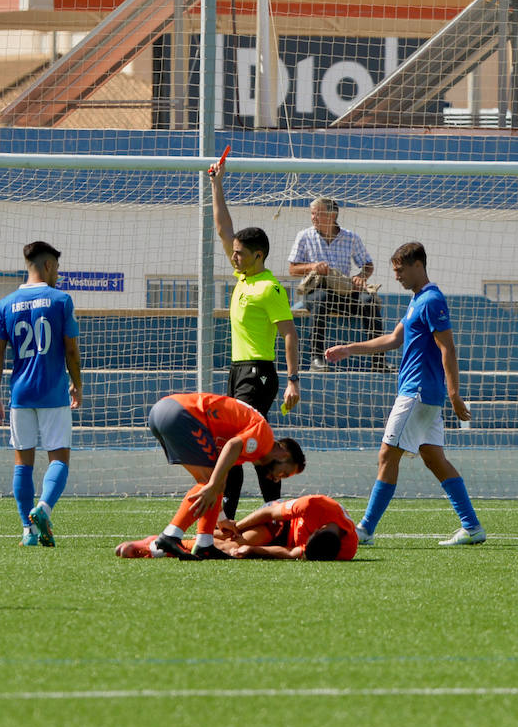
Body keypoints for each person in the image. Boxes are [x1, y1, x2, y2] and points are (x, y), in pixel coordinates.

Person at [324, 241, 486, 547]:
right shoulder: (417, 300)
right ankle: (472, 527)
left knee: (387, 454)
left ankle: (366, 529)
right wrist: (349, 349)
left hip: (418, 392)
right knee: (434, 459)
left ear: (417, 266)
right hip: (422, 395)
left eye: (400, 270)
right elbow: (394, 338)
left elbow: (447, 348)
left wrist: (455, 393)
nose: (396, 276)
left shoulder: (431, 300)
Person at [207, 160, 301, 521]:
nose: (234, 256)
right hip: (238, 372)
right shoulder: (243, 278)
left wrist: (293, 380)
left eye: (241, 253)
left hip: (259, 375)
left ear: (258, 255)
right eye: (234, 252)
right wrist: (217, 185)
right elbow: (223, 228)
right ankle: (241, 516)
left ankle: (265, 515)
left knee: (248, 447)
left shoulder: (269, 287)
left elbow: (289, 333)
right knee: (237, 447)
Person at [0, 240, 82, 547]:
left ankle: (27, 532)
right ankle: (43, 509)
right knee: (59, 459)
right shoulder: (61, 300)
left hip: (21, 394)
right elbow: (71, 349)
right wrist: (77, 383)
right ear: (49, 266)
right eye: (57, 269)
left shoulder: (5, 304)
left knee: (22, 463)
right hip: (53, 392)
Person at [145, 392, 306, 560]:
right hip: (182, 414)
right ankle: (170, 536)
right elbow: (233, 444)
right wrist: (214, 483)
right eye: (284, 473)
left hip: (163, 411)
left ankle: (204, 544)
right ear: (284, 454)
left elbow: (221, 476)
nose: (277, 478)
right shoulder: (264, 440)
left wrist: (222, 520)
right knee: (211, 483)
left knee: (213, 482)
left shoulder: (251, 448)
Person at [287, 196, 386, 373]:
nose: (313, 218)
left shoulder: (351, 237)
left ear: (332, 216)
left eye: (318, 214)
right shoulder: (304, 236)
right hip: (317, 290)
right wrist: (313, 266)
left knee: (369, 302)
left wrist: (361, 276)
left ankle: (378, 361)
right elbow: (293, 269)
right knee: (322, 298)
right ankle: (316, 358)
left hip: (343, 291)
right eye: (312, 214)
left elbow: (368, 264)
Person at [116, 493, 357, 561]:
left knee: (236, 550)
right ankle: (155, 546)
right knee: (235, 543)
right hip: (278, 525)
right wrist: (237, 528)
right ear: (316, 529)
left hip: (286, 542)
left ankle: (157, 544)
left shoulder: (345, 550)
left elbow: (293, 553)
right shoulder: (314, 506)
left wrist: (255, 552)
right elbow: (269, 512)